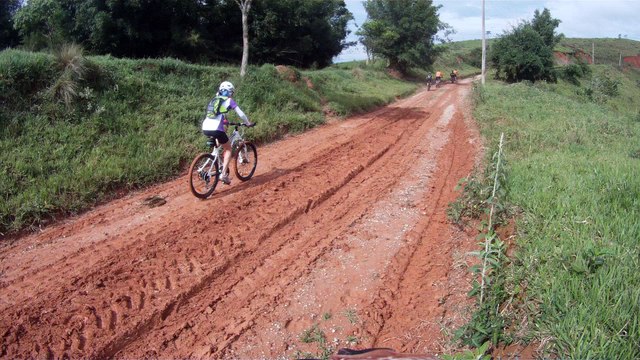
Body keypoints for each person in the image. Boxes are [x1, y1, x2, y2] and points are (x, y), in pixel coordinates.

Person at [201, 81, 254, 185]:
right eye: (232, 92)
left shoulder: (214, 99)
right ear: (229, 92)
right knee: (228, 148)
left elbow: (217, 115)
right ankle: (223, 174)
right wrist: (247, 123)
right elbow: (241, 115)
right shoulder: (229, 100)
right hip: (216, 128)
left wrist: (225, 122)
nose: (232, 94)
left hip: (205, 127)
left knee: (221, 138)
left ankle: (215, 158)